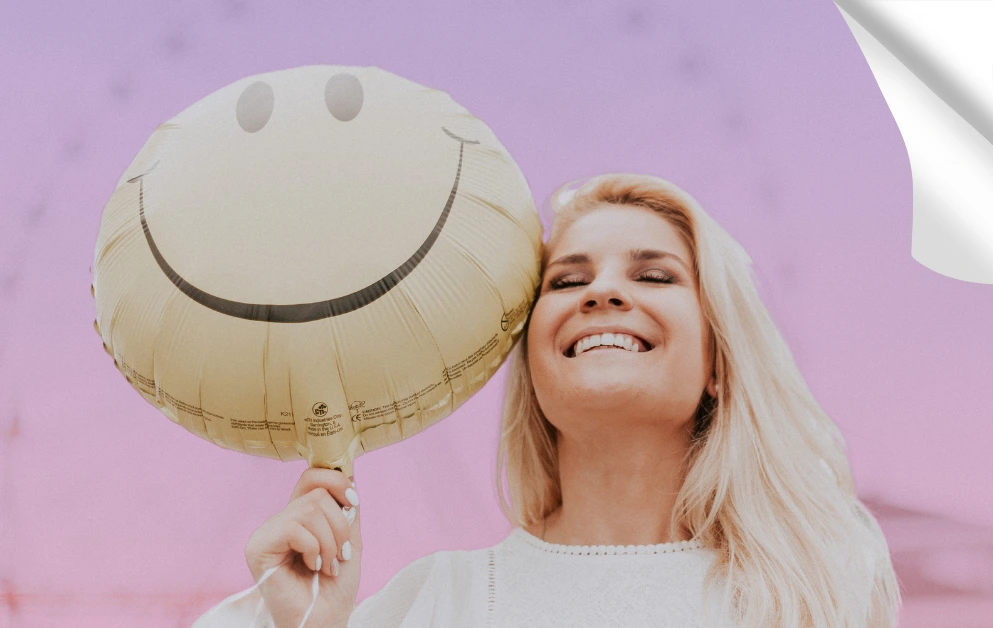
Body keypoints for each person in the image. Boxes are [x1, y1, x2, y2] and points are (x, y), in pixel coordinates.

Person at [193, 174, 901, 628]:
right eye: (566, 282)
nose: (602, 292)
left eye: (654, 274)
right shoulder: (442, 604)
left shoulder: (814, 589)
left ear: (720, 360)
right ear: (531, 365)